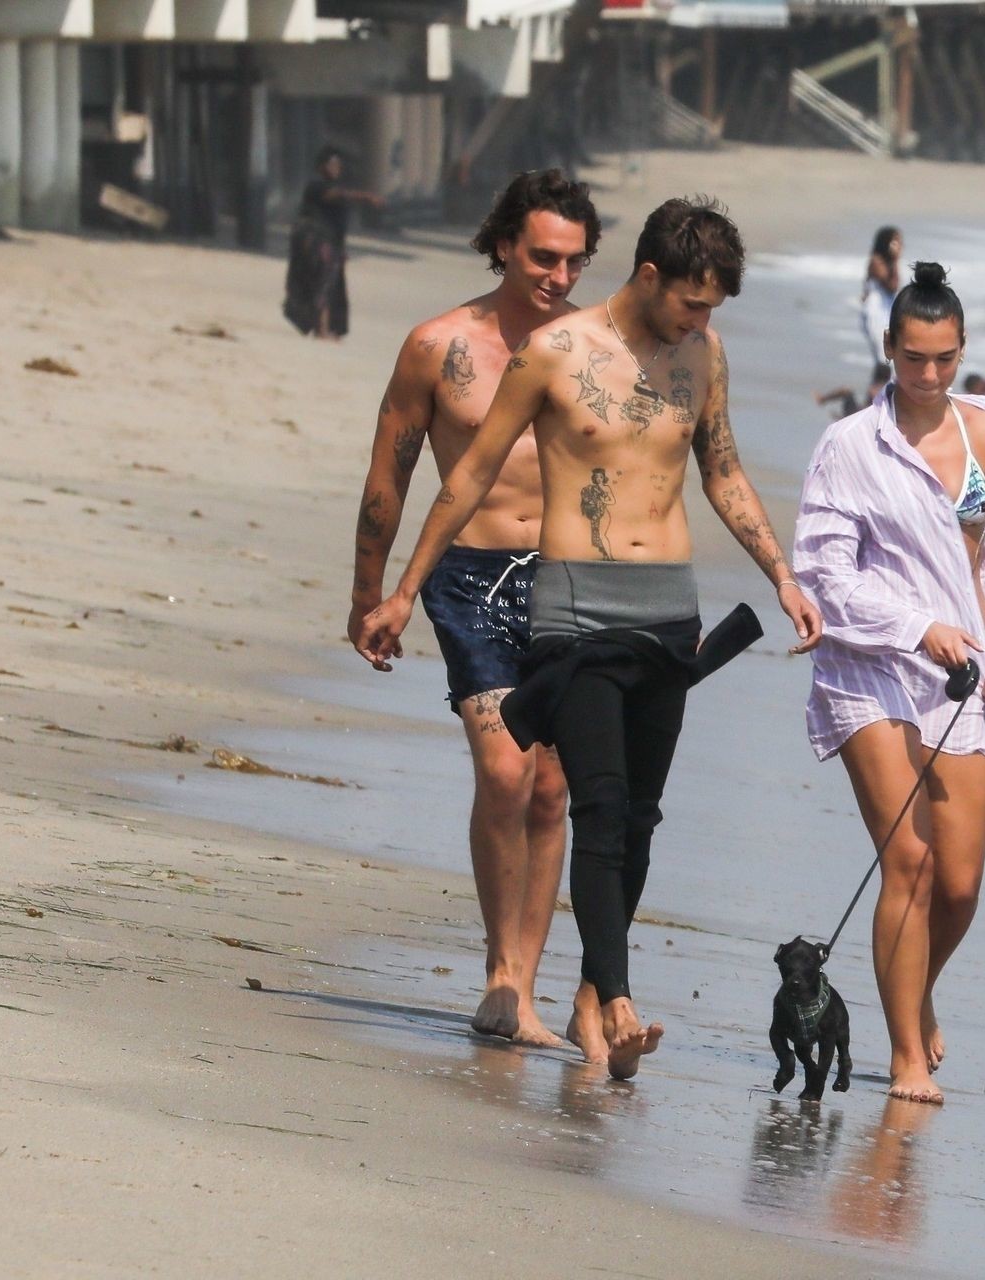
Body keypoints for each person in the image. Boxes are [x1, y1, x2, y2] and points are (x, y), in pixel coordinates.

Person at [356, 197, 823, 1079]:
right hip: (574, 610)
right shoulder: (556, 351)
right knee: (597, 805)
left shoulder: (704, 354)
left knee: (638, 818)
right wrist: (403, 590)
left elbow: (722, 470)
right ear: (649, 276)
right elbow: (471, 474)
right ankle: (616, 1001)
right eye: (692, 302)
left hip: (669, 612)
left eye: (713, 308)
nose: (700, 320)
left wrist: (783, 576)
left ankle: (587, 997)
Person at [348, 169, 599, 1048]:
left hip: (571, 580)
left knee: (553, 788)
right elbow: (390, 473)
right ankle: (499, 969)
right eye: (543, 257)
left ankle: (519, 989)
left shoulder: (594, 350)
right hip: (470, 576)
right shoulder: (437, 346)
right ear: (502, 245)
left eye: (574, 261)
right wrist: (370, 593)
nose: (559, 276)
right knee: (505, 772)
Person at [794, 261, 985, 1105]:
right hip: (868, 668)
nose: (928, 376)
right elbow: (824, 574)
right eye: (912, 359)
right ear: (889, 350)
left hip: (965, 677)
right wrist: (916, 627)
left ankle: (915, 987)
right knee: (910, 861)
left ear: (962, 351)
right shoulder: (850, 446)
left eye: (943, 359)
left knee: (959, 886)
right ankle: (905, 1058)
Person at [283, 146, 383, 340]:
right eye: (332, 164)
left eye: (338, 165)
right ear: (322, 166)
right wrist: (366, 197)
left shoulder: (334, 187)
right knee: (322, 286)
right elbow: (335, 195)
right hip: (318, 244)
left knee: (331, 287)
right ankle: (321, 329)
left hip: (332, 244)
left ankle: (327, 328)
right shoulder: (317, 186)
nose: (336, 168)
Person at [860, 225, 903, 403]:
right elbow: (891, 285)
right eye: (896, 241)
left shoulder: (890, 264)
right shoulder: (877, 261)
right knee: (883, 356)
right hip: (876, 312)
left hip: (886, 311)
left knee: (889, 355)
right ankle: (874, 399)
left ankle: (882, 397)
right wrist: (895, 260)